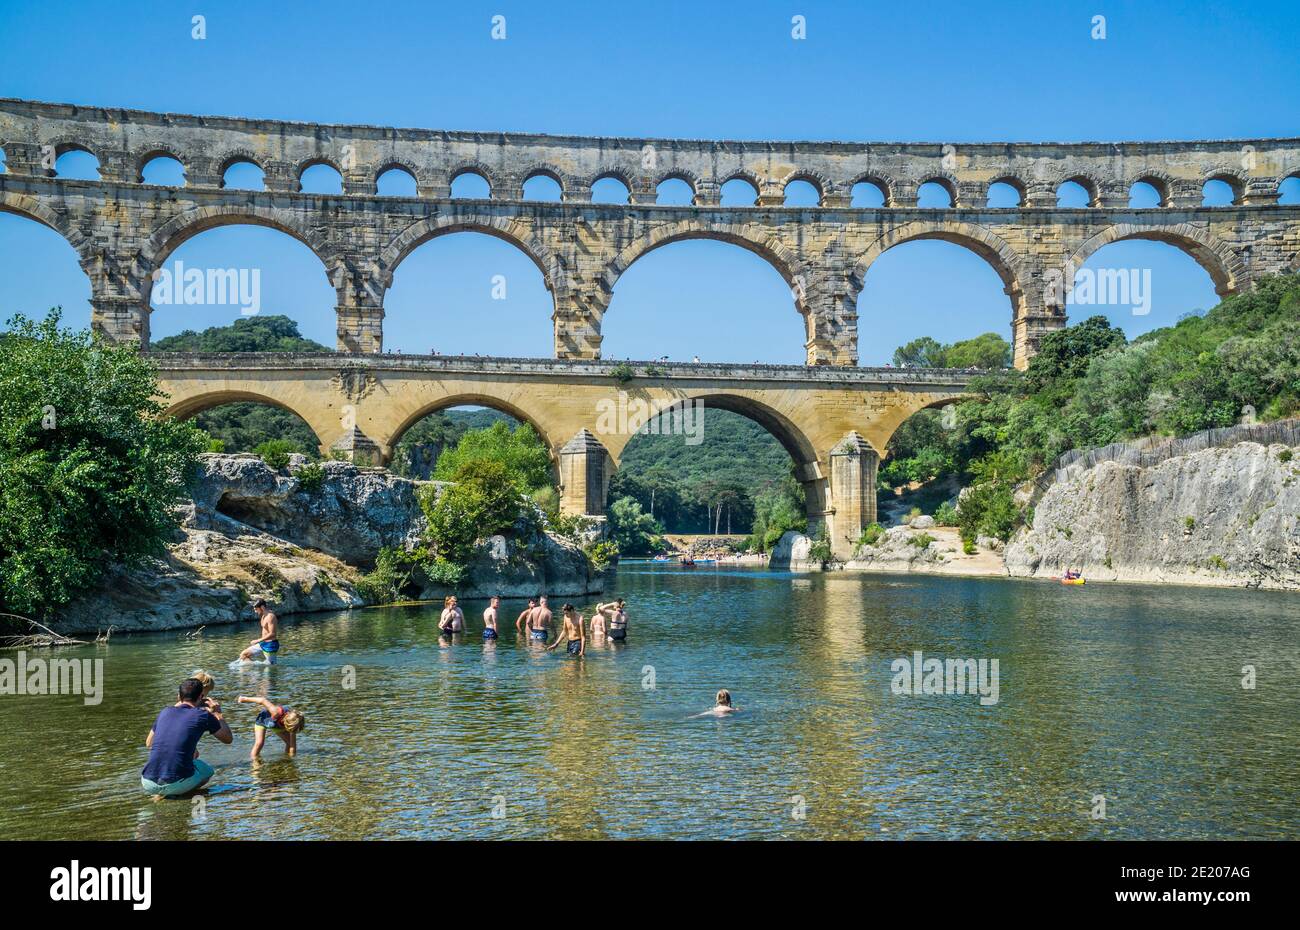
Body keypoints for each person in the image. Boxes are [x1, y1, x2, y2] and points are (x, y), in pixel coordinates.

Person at [141, 678, 233, 797]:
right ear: (201, 696)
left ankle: (161, 794)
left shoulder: (165, 712)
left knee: (191, 755)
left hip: (147, 782)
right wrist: (217, 714)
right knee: (208, 771)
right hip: (176, 784)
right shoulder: (203, 715)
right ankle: (180, 793)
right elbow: (228, 739)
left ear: (178, 696)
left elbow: (149, 743)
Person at [237, 695, 306, 760]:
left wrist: (291, 759)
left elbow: (293, 746)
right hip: (262, 721)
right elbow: (262, 700)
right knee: (259, 743)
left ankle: (286, 759)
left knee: (289, 743)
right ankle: (254, 760)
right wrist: (245, 699)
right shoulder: (275, 711)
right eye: (290, 730)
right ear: (286, 723)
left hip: (276, 725)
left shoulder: (294, 724)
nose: (291, 732)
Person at [239, 599, 280, 664]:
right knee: (243, 655)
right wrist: (260, 641)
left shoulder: (271, 617)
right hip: (262, 643)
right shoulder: (263, 615)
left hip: (270, 645)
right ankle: (255, 672)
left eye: (256, 609)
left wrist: (257, 640)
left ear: (262, 607)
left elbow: (272, 634)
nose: (255, 611)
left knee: (271, 668)